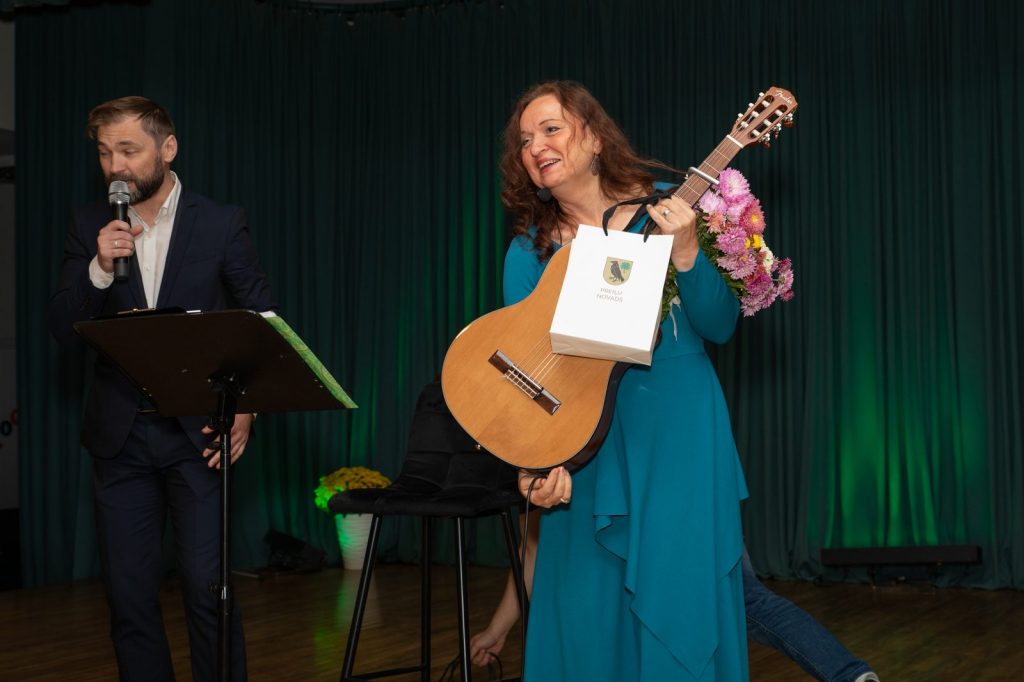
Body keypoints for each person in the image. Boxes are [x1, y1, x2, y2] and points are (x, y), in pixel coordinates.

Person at [499, 80, 749, 680]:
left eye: (551, 129)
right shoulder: (529, 252)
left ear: (593, 136)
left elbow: (720, 325)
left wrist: (686, 252)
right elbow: (525, 376)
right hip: (587, 448)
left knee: (681, 601)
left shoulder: (676, 207)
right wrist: (534, 464)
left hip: (679, 435)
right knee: (587, 617)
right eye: (525, 141)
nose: (536, 147)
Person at [47, 96, 276, 681]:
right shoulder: (89, 226)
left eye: (128, 149)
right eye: (105, 153)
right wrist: (99, 269)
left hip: (199, 434)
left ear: (167, 148)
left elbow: (261, 321)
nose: (115, 166)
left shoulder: (220, 222)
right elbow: (63, 330)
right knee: (129, 599)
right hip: (119, 438)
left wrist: (246, 406)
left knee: (207, 588)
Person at [470, 525, 880, 682]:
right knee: (746, 603)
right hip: (676, 504)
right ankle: (851, 675)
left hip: (676, 502)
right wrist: (497, 629)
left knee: (744, 603)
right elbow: (533, 549)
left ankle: (850, 675)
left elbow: (533, 549)